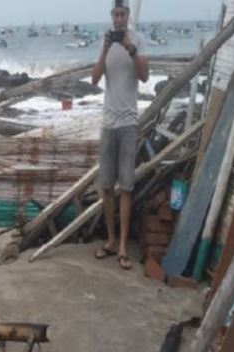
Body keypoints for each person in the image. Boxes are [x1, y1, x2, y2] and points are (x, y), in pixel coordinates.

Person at [91, 0, 149, 270]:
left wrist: (130, 47)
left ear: (127, 16)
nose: (119, 19)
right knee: (106, 185)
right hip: (108, 122)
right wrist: (105, 49)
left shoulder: (137, 40)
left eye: (123, 14)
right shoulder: (105, 41)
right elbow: (93, 79)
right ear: (111, 16)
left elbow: (145, 76)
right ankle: (111, 240)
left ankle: (124, 245)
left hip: (128, 124)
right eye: (115, 14)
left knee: (126, 187)